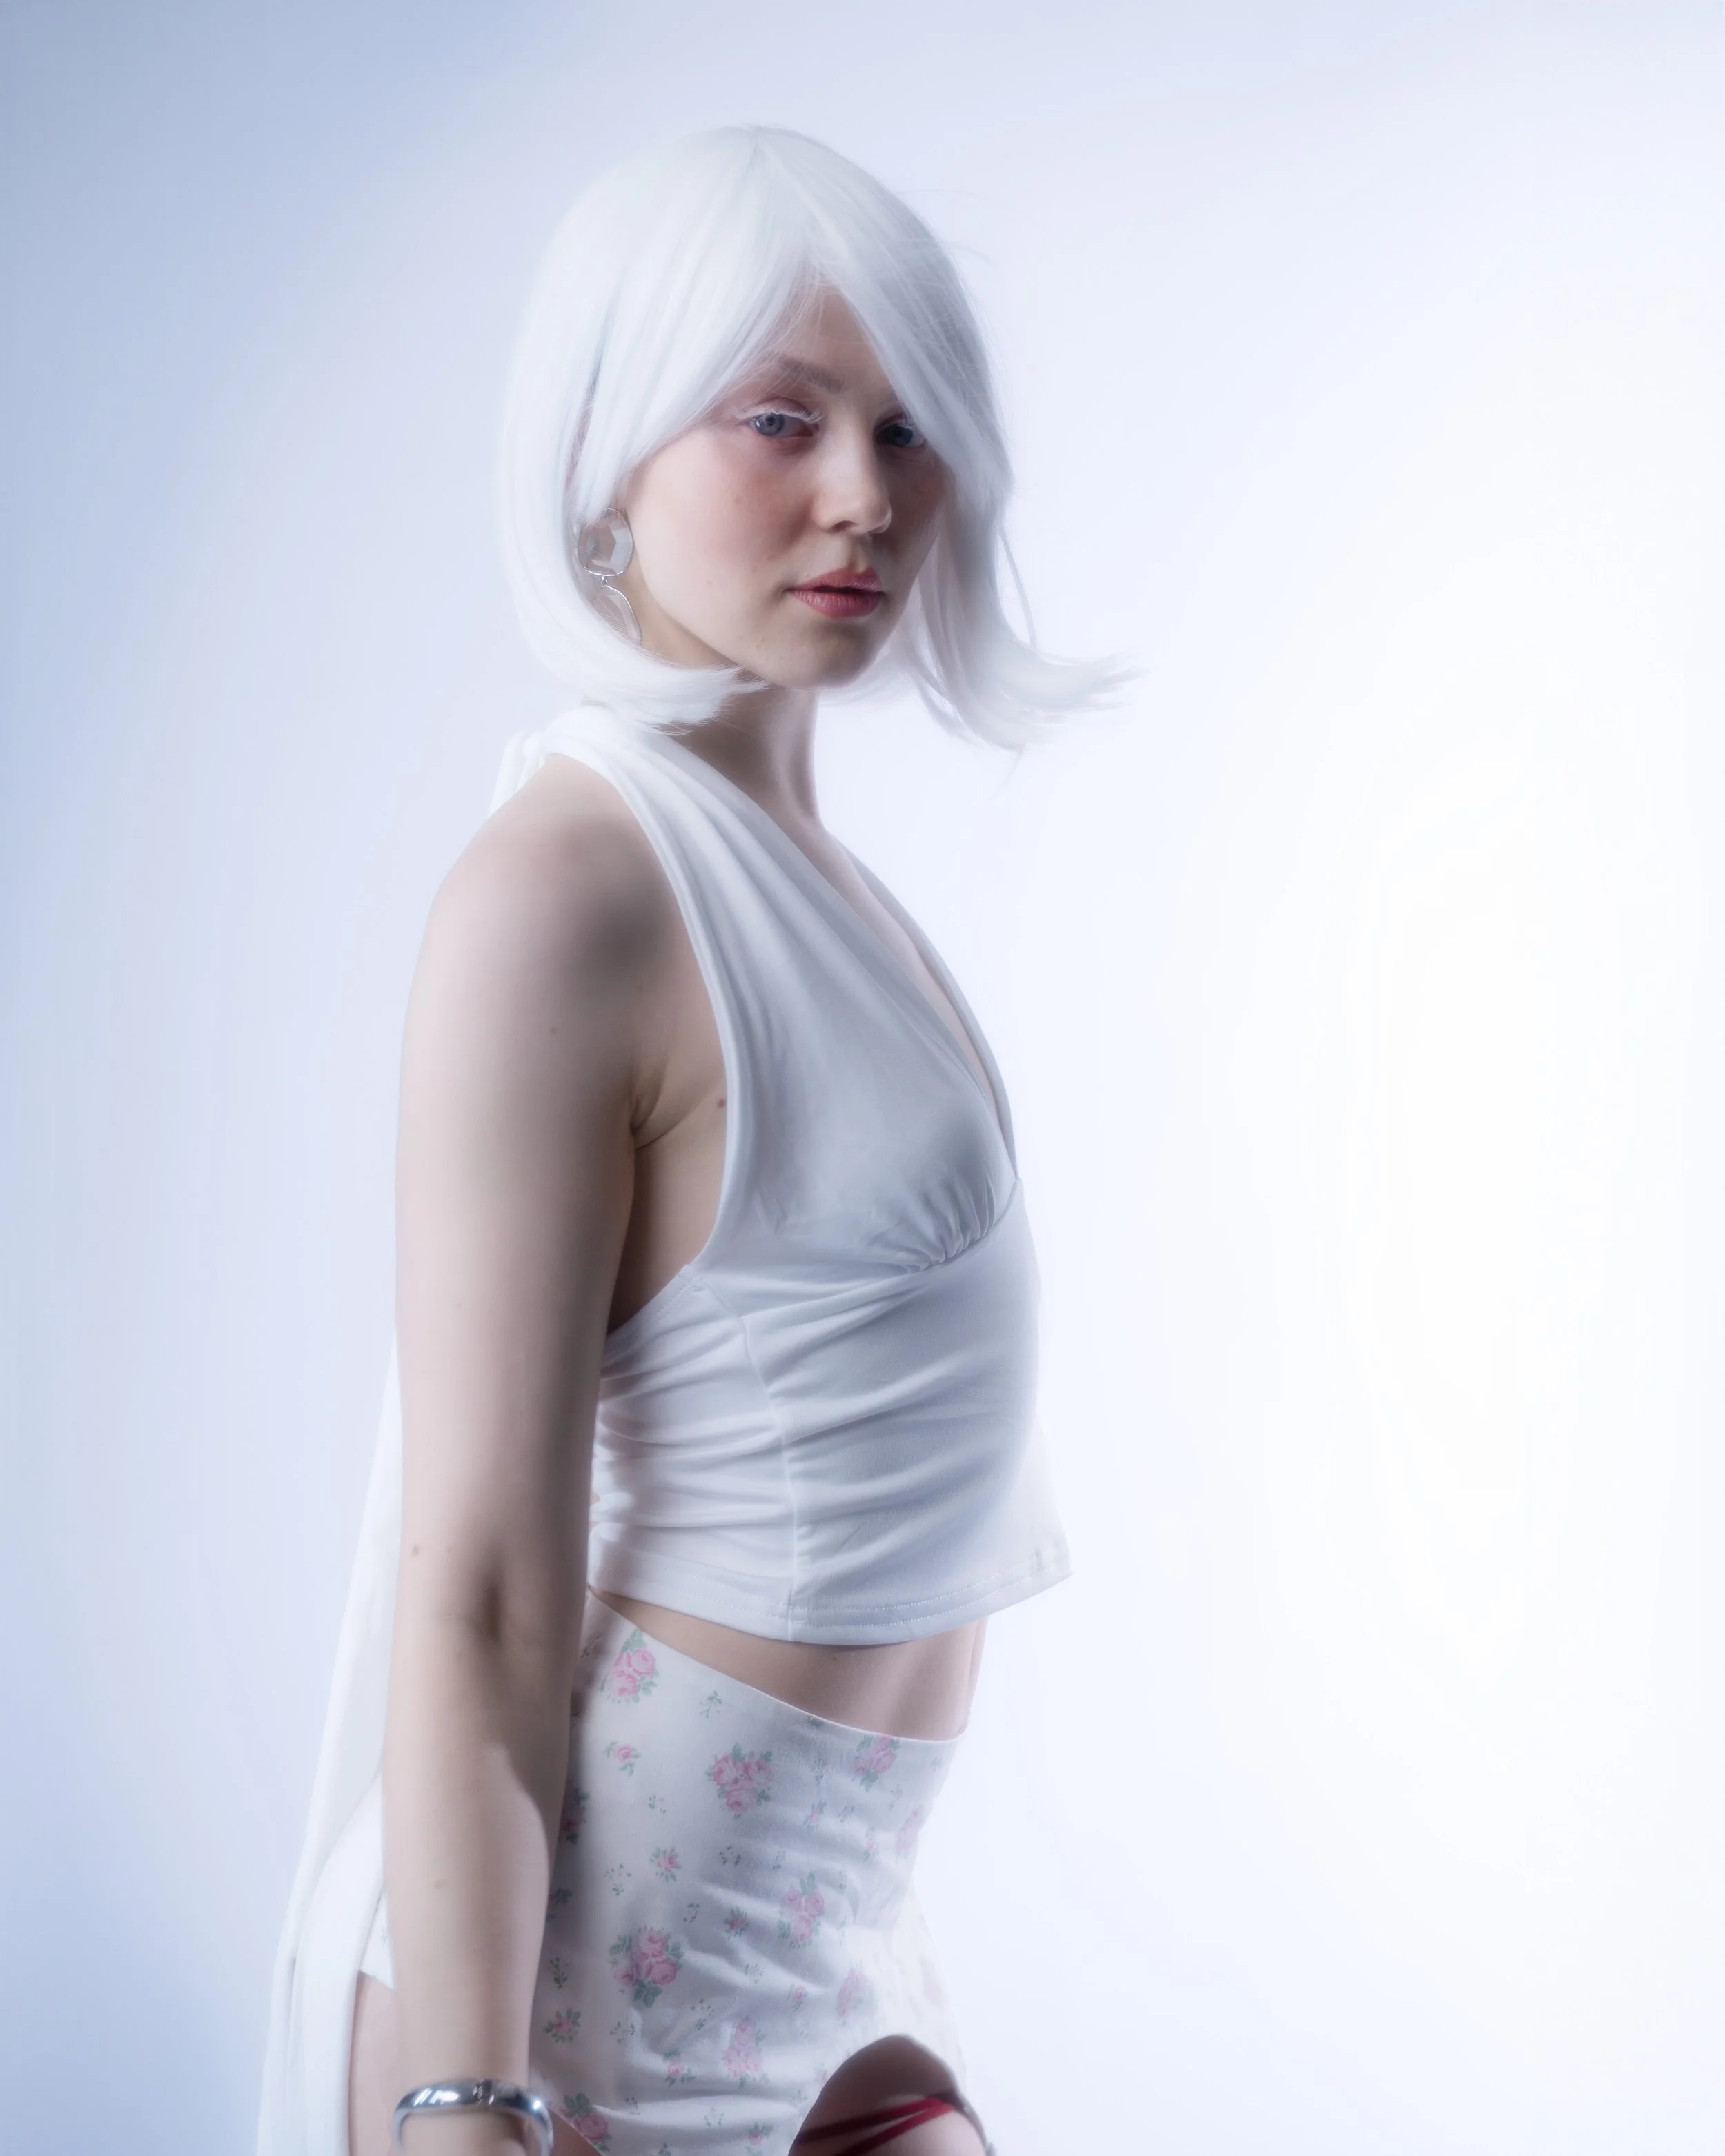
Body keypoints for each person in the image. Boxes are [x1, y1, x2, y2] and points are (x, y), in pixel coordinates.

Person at [258, 124, 1118, 2156]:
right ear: (603, 456)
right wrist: (466, 2098)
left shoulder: (818, 884)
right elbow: (482, 1577)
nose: (866, 493)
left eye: (908, 426)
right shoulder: (569, 891)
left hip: (836, 1952)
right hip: (578, 2006)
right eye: (780, 419)